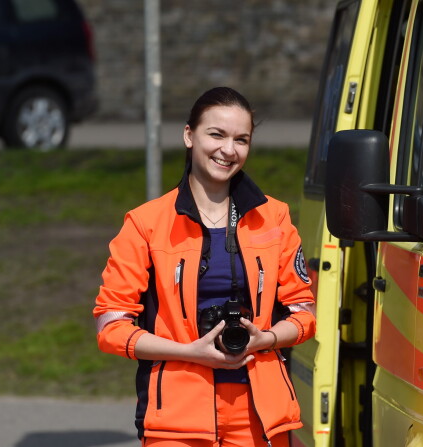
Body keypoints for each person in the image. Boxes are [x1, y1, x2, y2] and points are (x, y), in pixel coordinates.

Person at [93, 87, 316, 447]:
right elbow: (111, 325)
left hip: (260, 416)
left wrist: (265, 338)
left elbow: (304, 314)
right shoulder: (145, 223)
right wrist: (189, 352)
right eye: (217, 134)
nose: (229, 150)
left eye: (241, 139)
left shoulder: (275, 218)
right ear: (188, 135)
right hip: (176, 420)